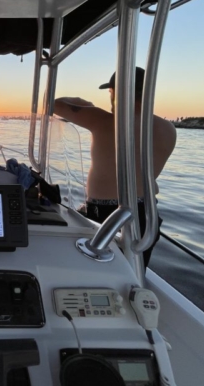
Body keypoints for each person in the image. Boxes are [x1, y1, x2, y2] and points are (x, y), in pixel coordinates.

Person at [53, 67, 176, 266]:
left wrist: (86, 105)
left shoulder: (107, 121)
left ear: (118, 92)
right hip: (147, 214)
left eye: (111, 93)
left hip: (109, 217)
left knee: (98, 272)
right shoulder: (167, 128)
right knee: (132, 273)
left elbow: (53, 103)